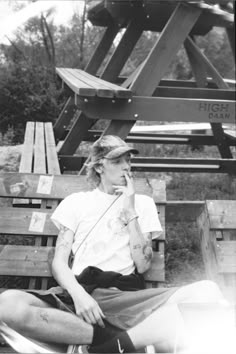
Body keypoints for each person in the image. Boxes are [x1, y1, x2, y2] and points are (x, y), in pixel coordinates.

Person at [0, 135, 230, 353]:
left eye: (128, 160)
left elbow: (142, 265)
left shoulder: (142, 203)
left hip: (125, 295)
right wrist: (79, 295)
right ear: (99, 167)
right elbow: (60, 262)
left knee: (207, 292)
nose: (126, 167)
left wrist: (130, 210)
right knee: (7, 304)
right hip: (81, 293)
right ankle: (127, 339)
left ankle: (103, 348)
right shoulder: (76, 202)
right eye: (118, 161)